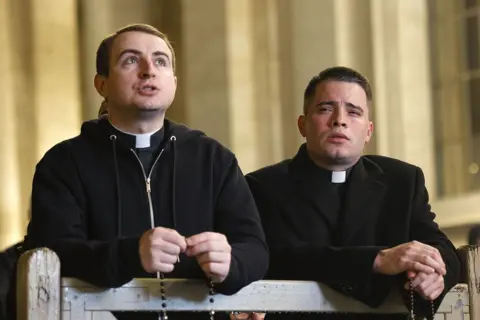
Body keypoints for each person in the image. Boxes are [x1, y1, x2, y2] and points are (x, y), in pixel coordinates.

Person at [24, 23, 269, 320]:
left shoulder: (213, 158)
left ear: (174, 83)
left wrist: (231, 262)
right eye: (130, 60)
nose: (148, 70)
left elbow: (255, 248)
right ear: (101, 84)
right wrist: (132, 255)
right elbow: (50, 255)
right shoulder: (64, 163)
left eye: (160, 61)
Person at [246, 66, 461, 319]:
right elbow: (281, 257)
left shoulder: (402, 181)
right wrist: (378, 260)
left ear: (368, 131)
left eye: (353, 111)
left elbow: (441, 247)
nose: (339, 120)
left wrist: (434, 274)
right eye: (325, 108)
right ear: (303, 125)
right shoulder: (264, 186)